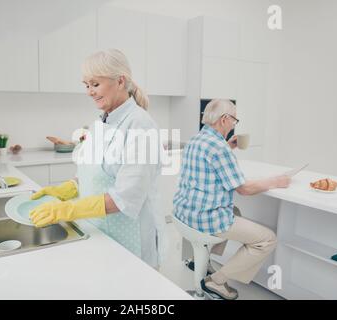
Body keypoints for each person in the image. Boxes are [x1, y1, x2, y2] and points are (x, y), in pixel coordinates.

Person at [29, 49, 166, 268]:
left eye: (95, 84)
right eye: (86, 85)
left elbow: (125, 198)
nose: (89, 92)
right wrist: (70, 187)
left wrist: (68, 210)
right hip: (98, 230)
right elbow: (93, 171)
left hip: (130, 240)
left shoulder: (140, 125)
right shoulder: (100, 122)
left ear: (120, 81)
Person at [173, 99, 291, 300]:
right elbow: (244, 189)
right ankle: (216, 281)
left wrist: (228, 146)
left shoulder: (197, 139)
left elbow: (210, 158)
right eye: (234, 120)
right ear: (225, 119)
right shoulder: (219, 148)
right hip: (205, 219)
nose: (234, 124)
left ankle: (203, 261)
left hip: (183, 214)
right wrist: (276, 181)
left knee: (234, 212)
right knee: (267, 239)